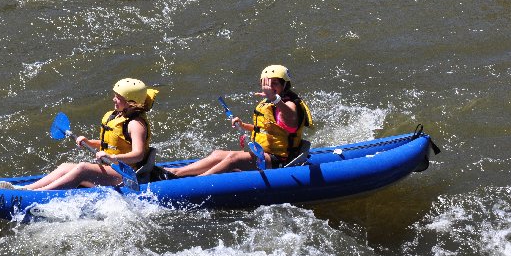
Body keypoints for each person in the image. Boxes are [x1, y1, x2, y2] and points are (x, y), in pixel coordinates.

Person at [169, 64, 312, 177]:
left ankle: (198, 182)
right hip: (265, 154)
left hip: (279, 159)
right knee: (217, 154)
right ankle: (175, 173)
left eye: (275, 83)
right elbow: (266, 129)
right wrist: (243, 125)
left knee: (233, 159)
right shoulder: (269, 102)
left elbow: (291, 121)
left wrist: (275, 99)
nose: (269, 87)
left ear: (284, 86)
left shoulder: (289, 104)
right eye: (267, 83)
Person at [22, 78, 158, 190]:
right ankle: (27, 189)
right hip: (112, 168)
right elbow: (111, 145)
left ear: (131, 102)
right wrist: (89, 142)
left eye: (118, 97)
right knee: (65, 167)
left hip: (126, 174)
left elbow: (138, 155)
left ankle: (40, 193)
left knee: (83, 168)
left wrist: (112, 157)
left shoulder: (136, 124)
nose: (114, 100)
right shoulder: (117, 116)